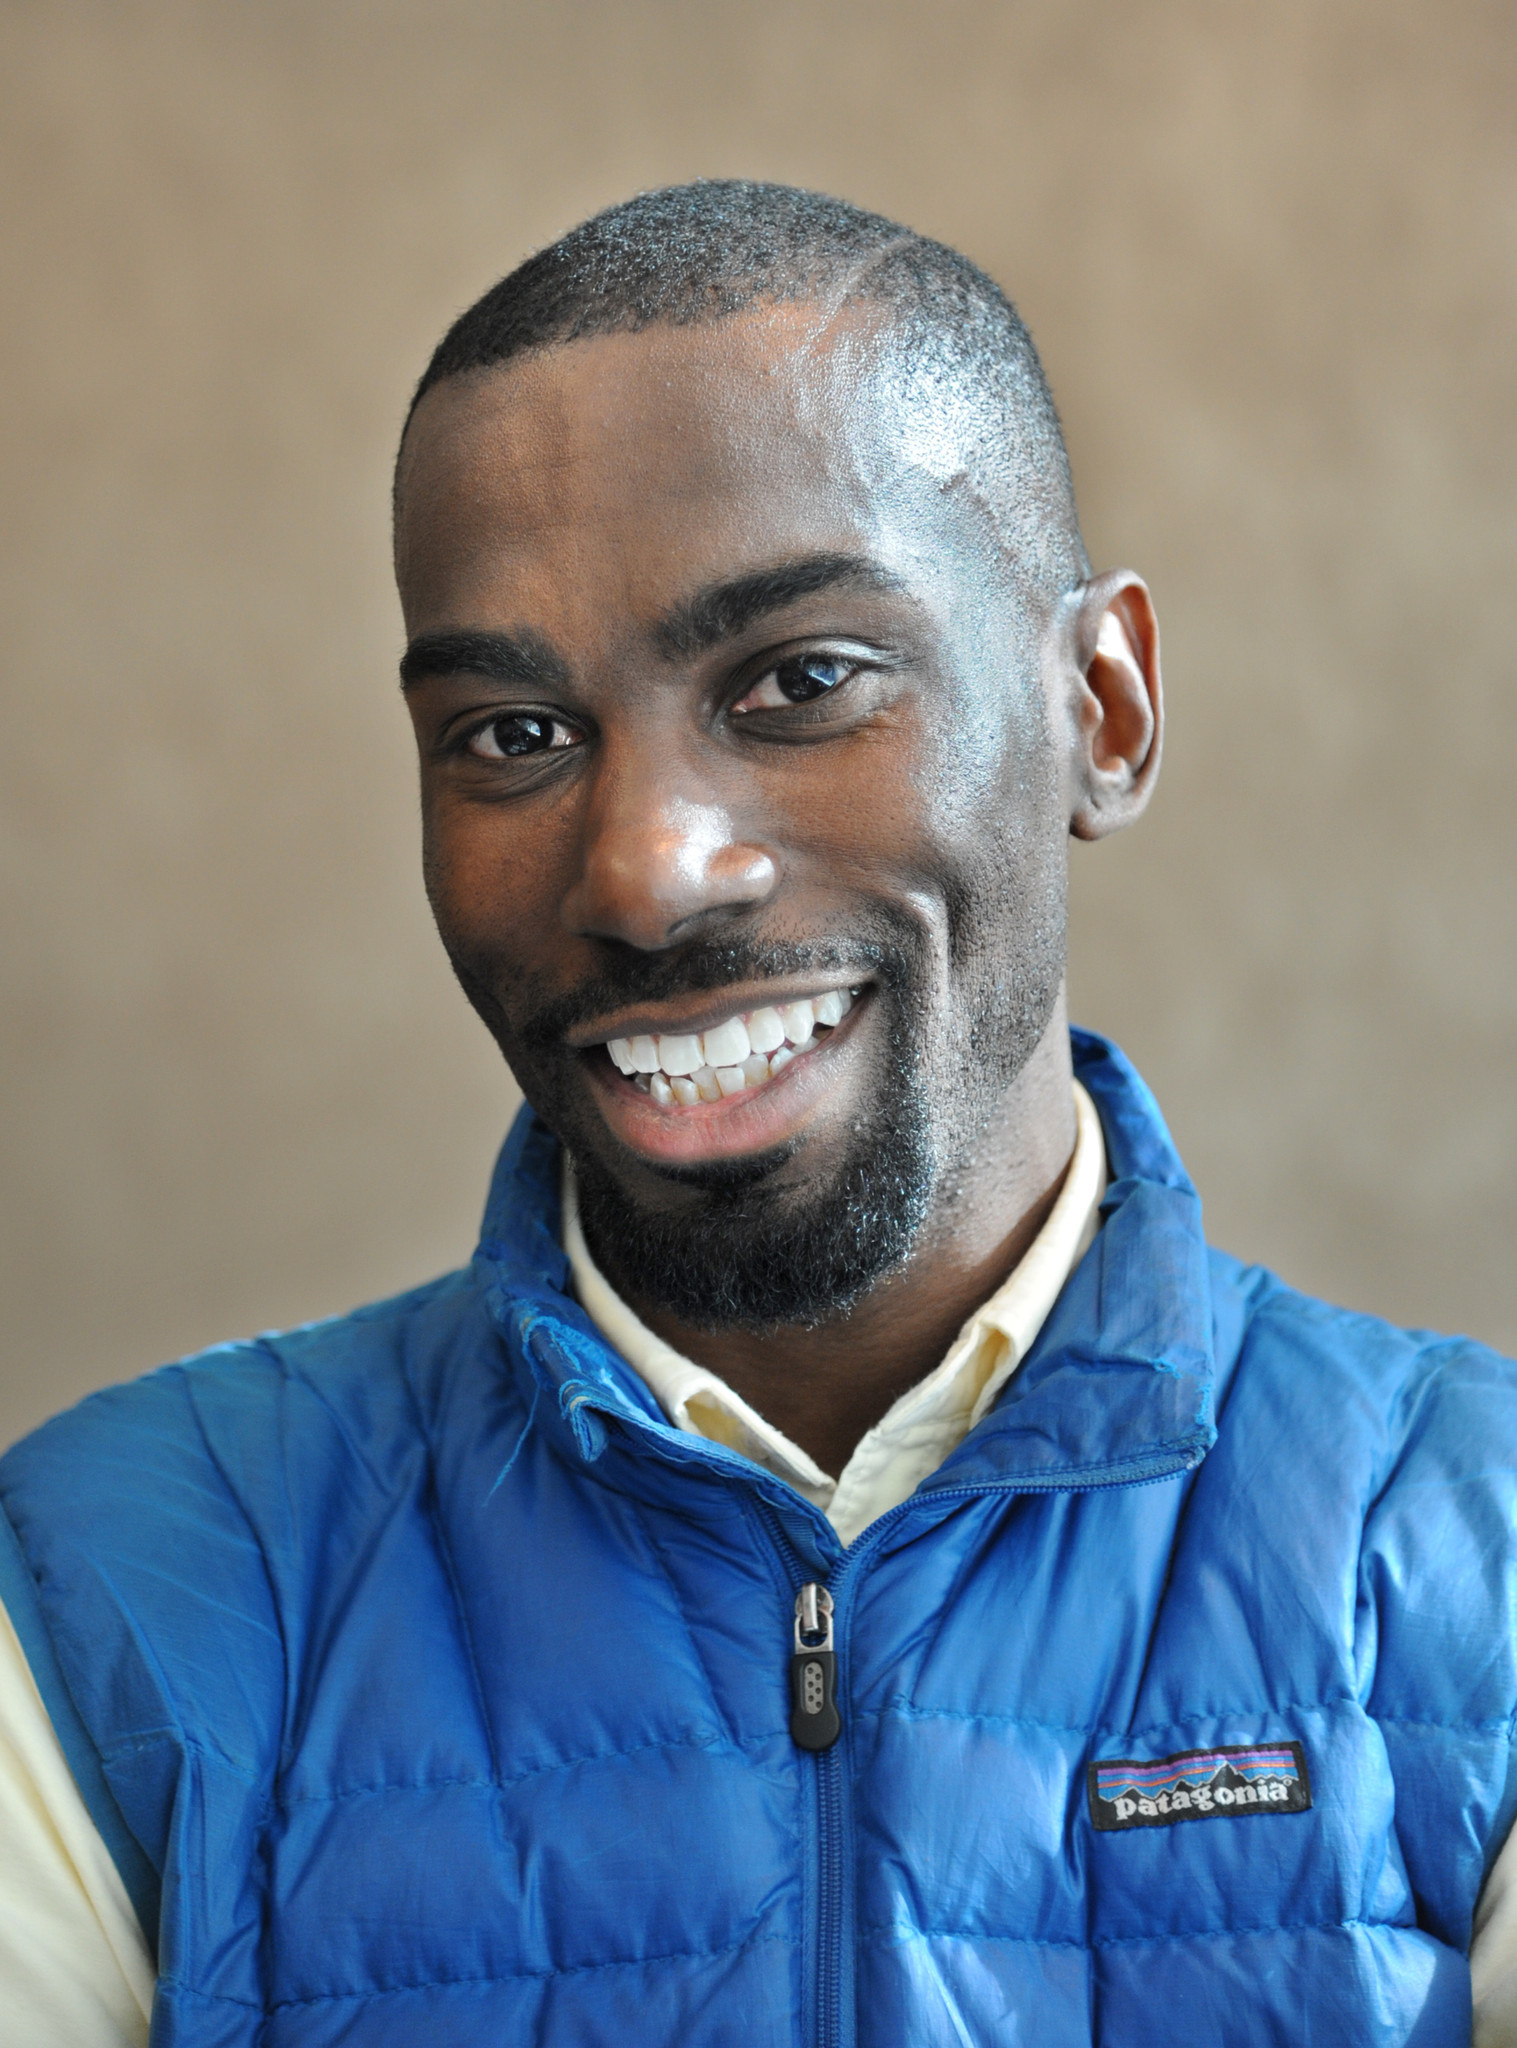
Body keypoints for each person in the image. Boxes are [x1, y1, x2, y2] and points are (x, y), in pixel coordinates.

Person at [1, 181, 1514, 2048]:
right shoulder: (104, 1592)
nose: (647, 873)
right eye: (513, 734)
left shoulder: (1478, 1553)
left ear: (1100, 711)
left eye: (800, 681)